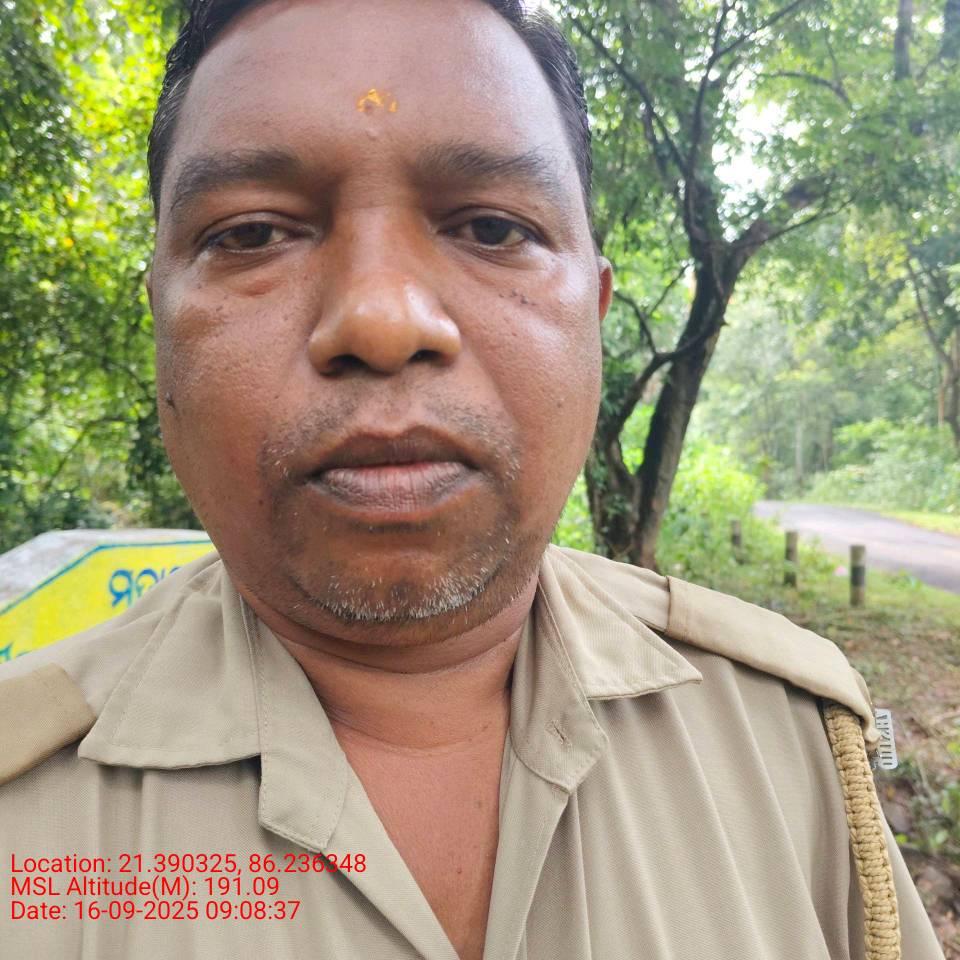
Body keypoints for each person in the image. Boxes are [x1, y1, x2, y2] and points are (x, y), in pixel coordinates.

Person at [0, 1, 945, 958]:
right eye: (251, 234)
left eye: (493, 226)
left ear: (594, 316)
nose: (381, 322)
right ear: (161, 320)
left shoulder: (790, 745)